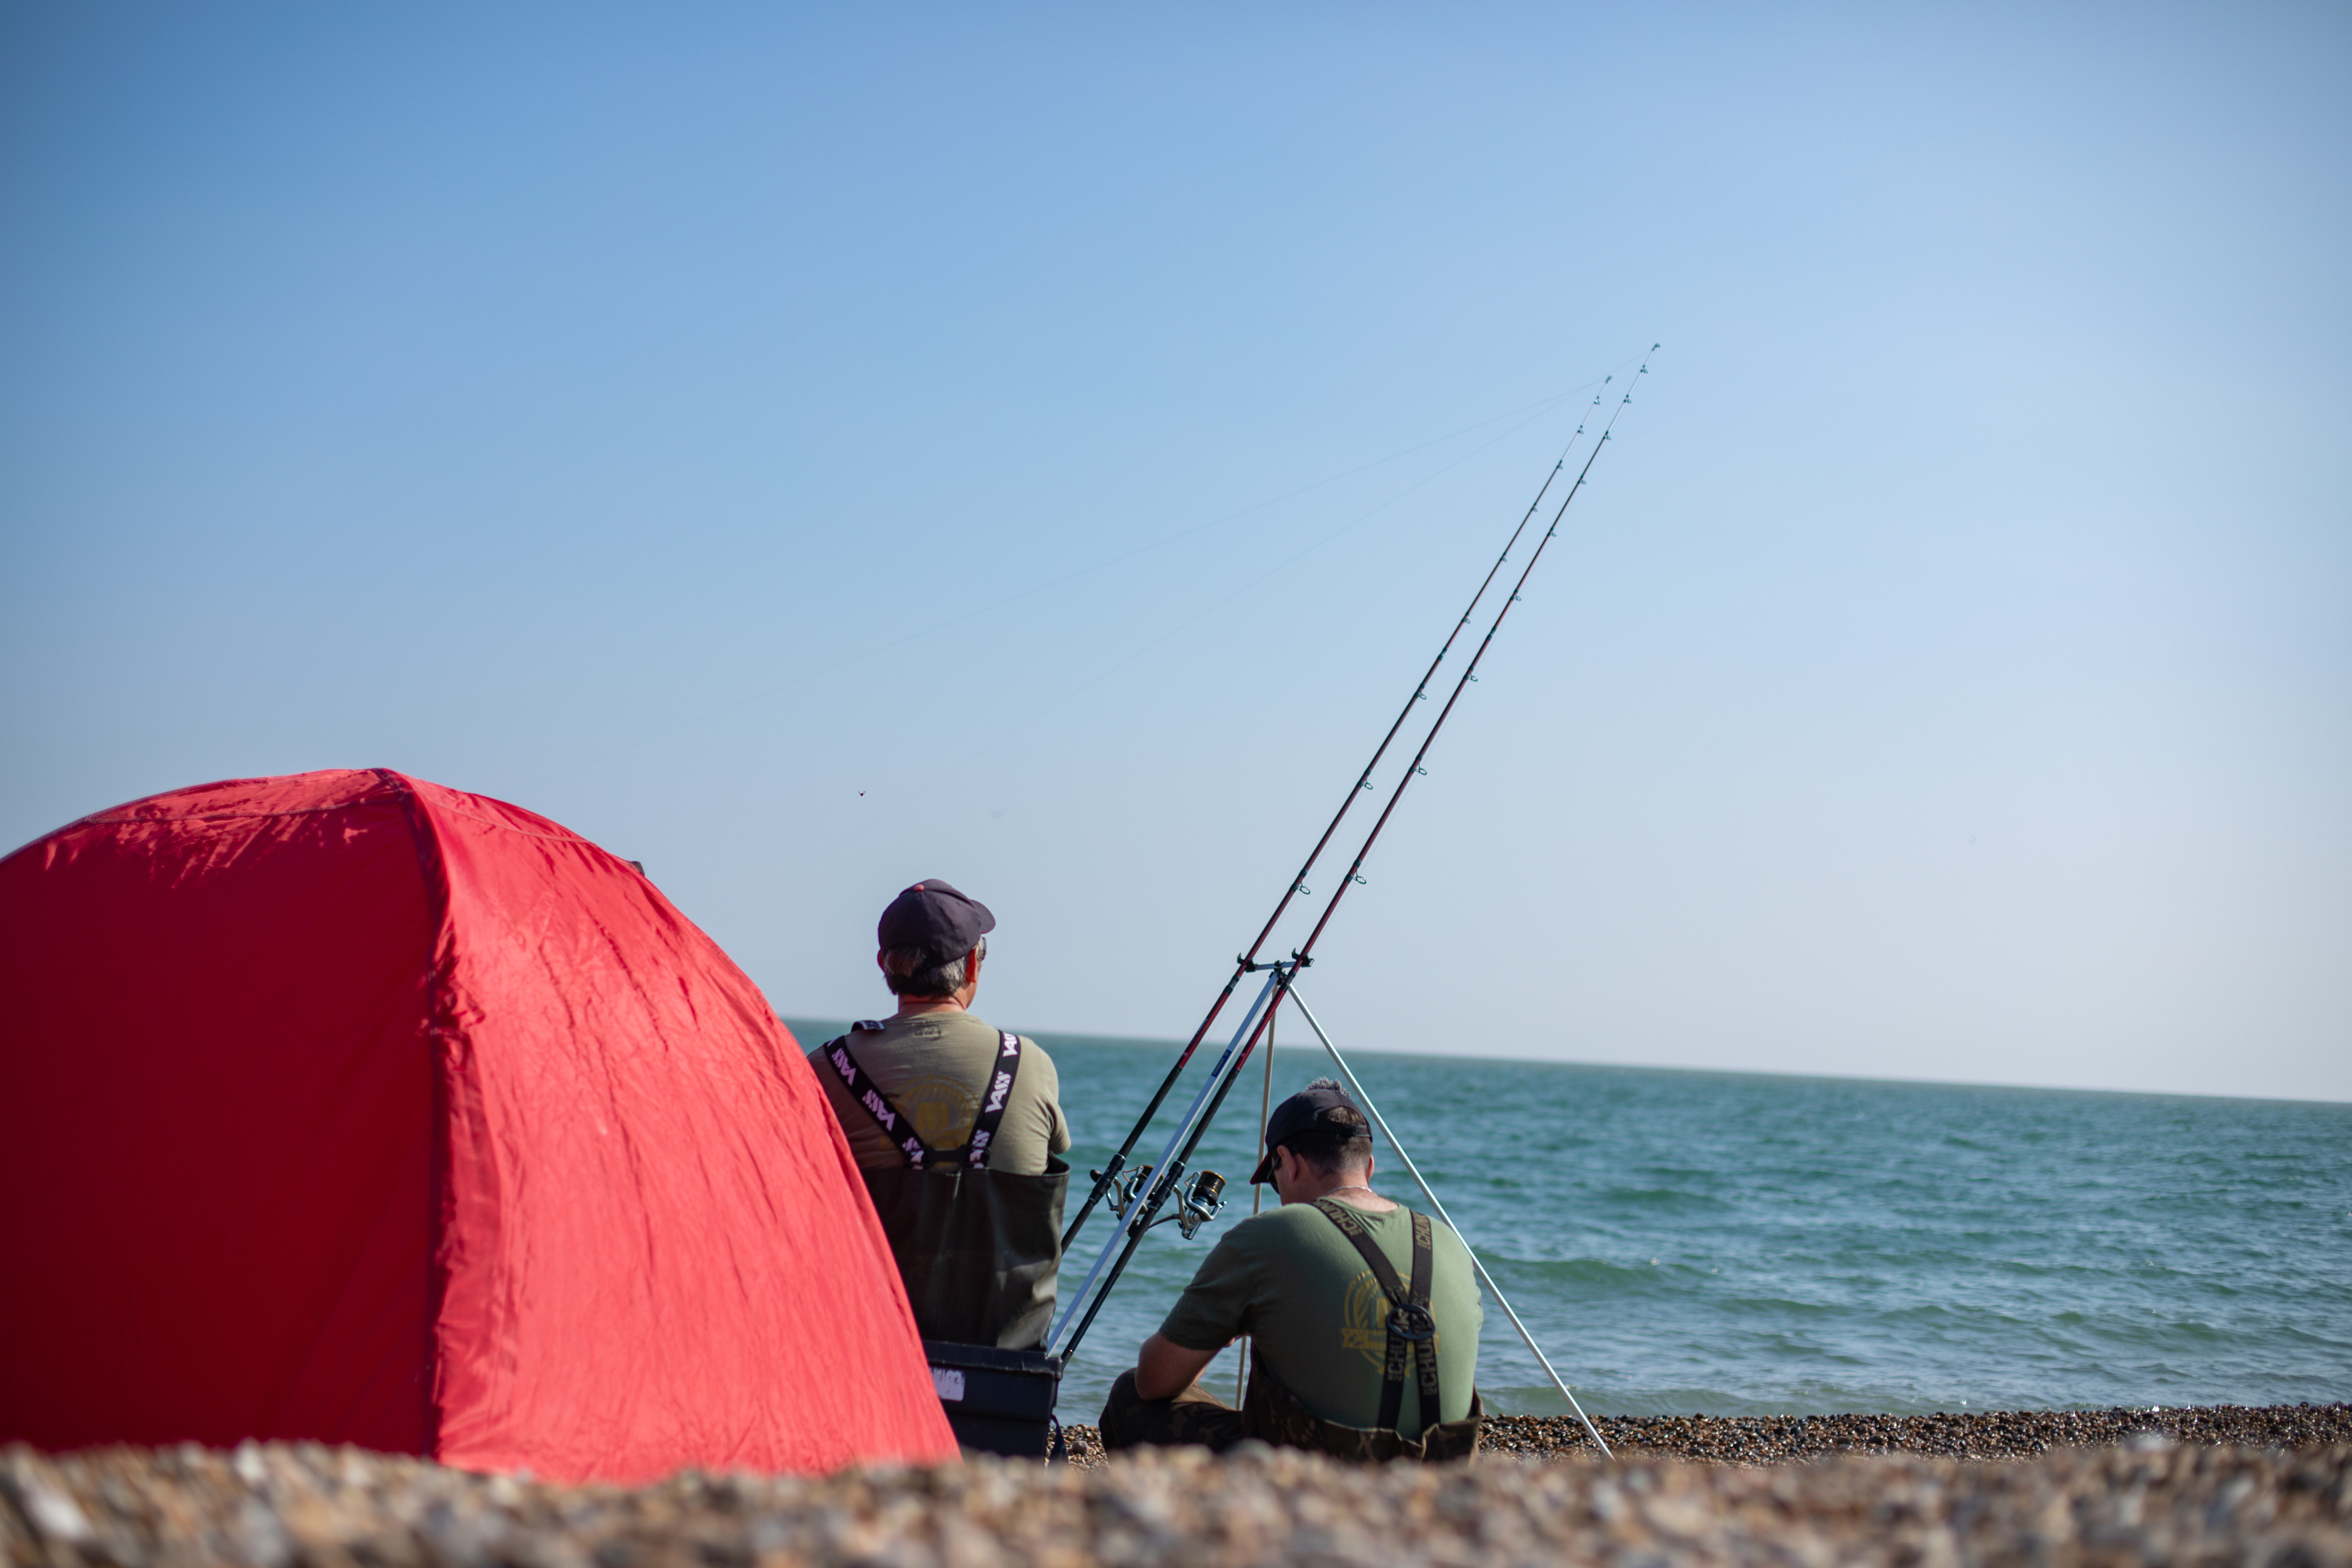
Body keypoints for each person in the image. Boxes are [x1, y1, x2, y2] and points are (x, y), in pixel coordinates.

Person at [1097, 1080, 1484, 1461]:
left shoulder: (1267, 1237)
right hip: (1441, 1482)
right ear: (1368, 1165)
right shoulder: (1447, 1242)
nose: (1278, 1191)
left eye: (1273, 1176)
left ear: (1290, 1161)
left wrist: (1219, 1333)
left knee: (1129, 1395)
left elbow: (1155, 1382)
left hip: (1311, 1483)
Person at [809, 880, 1072, 1349]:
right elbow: (1052, 1152)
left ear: (885, 966)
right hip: (1000, 1364)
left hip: (865, 1352)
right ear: (972, 964)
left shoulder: (828, 1068)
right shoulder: (1028, 1063)